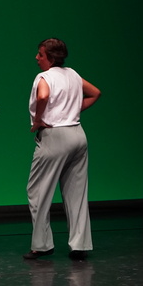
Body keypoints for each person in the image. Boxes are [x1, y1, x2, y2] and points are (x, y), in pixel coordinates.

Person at [25, 38, 100, 260]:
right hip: (77, 134)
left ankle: (42, 244)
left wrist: (38, 119)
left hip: (55, 137)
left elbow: (43, 95)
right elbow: (95, 93)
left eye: (40, 54)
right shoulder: (73, 74)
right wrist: (72, 111)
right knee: (76, 193)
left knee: (38, 191)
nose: (37, 58)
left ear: (50, 58)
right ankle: (79, 245)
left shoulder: (44, 77)